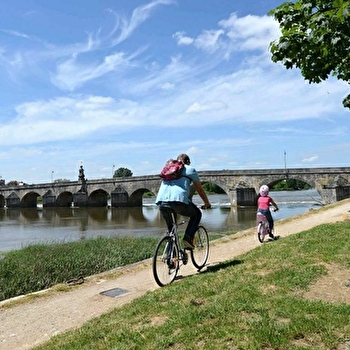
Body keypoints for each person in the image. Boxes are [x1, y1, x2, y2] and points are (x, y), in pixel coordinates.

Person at [156, 153, 211, 249]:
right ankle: (188, 238)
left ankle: (171, 258)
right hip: (178, 201)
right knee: (196, 214)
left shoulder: (168, 169)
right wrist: (207, 203)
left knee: (171, 231)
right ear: (188, 162)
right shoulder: (190, 169)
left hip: (161, 201)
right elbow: (200, 190)